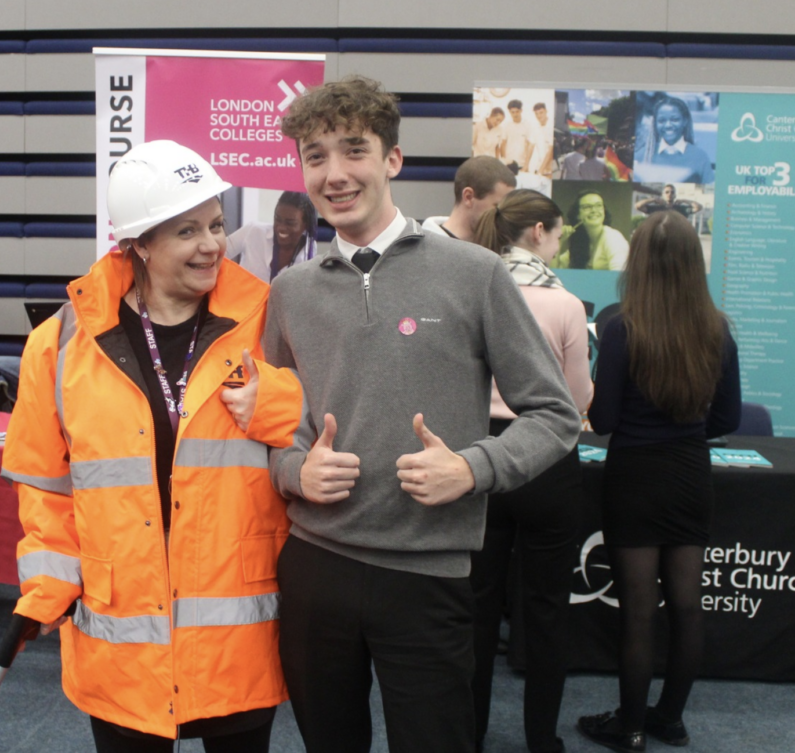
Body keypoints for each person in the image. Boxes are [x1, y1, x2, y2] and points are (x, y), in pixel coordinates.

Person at [264, 75, 581, 753]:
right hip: (316, 566)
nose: (335, 172)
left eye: (354, 150)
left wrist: (472, 468)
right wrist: (293, 468)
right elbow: (273, 420)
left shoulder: (474, 274)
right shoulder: (289, 292)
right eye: (315, 156)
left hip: (427, 573)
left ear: (393, 160)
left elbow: (556, 414)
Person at [2, 140, 304, 753]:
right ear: (138, 243)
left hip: (236, 632)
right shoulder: (60, 344)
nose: (212, 245)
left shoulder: (271, 319)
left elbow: (325, 424)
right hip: (123, 637)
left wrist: (274, 403)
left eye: (217, 224)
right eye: (187, 231)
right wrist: (48, 585)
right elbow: (45, 484)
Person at [578, 210, 741, 752]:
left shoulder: (621, 327)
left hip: (636, 477)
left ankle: (630, 728)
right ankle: (669, 718)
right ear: (695, 263)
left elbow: (602, 422)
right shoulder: (717, 328)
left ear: (639, 262)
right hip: (691, 473)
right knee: (688, 605)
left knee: (639, 611)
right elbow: (727, 420)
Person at [471, 189, 593, 753]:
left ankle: (464, 736)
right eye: (560, 232)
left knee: (474, 609)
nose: (561, 241)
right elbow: (575, 399)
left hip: (481, 458)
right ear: (539, 232)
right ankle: (541, 740)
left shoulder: (472, 286)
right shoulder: (566, 304)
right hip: (546, 459)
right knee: (546, 611)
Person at [227, 191, 317, 282]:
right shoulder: (253, 231)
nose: (281, 227)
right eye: (277, 219)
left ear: (305, 225)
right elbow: (217, 253)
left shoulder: (308, 249)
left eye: (290, 223)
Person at [422, 156, 516, 242]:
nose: (504, 217)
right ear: (468, 197)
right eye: (497, 207)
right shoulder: (421, 247)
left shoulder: (500, 248)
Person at [635, 97, 714, 184]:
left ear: (685, 121)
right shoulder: (642, 154)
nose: (668, 125)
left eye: (675, 119)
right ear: (655, 124)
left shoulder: (700, 157)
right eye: (661, 121)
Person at [551, 191, 629, 271]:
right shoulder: (580, 242)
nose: (594, 210)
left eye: (598, 205)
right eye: (587, 207)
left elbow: (619, 275)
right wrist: (559, 241)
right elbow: (554, 271)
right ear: (578, 215)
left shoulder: (613, 237)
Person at [635, 184, 703, 219]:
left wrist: (684, 200)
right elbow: (638, 206)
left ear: (675, 195)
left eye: (672, 192)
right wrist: (654, 200)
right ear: (663, 195)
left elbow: (698, 207)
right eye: (667, 192)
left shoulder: (681, 209)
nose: (669, 194)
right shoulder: (656, 209)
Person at [499, 99, 530, 171]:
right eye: (512, 112)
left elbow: (529, 146)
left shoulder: (527, 125)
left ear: (521, 111)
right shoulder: (506, 125)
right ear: (509, 112)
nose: (515, 114)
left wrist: (526, 164)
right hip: (509, 164)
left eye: (517, 112)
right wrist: (504, 161)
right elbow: (503, 144)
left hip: (522, 164)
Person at [527, 103, 554, 177]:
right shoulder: (535, 127)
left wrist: (541, 170)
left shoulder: (552, 126)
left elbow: (550, 150)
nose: (539, 116)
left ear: (546, 111)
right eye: (536, 113)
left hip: (549, 168)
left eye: (541, 112)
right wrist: (525, 166)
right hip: (539, 167)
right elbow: (530, 147)